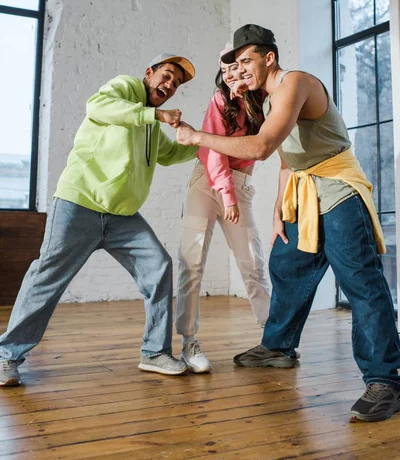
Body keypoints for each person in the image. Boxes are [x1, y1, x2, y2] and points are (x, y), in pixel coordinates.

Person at [176, 24, 400, 422]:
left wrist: (199, 137)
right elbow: (284, 156)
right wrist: (281, 206)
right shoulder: (266, 99)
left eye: (246, 60)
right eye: (235, 63)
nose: (240, 69)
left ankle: (386, 379)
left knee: (360, 282)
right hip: (303, 190)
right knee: (286, 264)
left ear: (269, 58)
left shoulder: (295, 83)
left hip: (338, 191)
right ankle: (278, 347)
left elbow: (261, 147)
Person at [0, 54, 198, 386]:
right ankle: (6, 357)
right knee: (47, 278)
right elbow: (98, 107)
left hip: (121, 217)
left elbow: (168, 153)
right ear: (148, 73)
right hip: (79, 203)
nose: (170, 85)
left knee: (158, 264)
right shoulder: (124, 88)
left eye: (176, 84)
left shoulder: (149, 124)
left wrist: (205, 143)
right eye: (166, 76)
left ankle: (154, 353)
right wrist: (154, 114)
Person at [175, 44, 271, 373]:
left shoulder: (264, 103)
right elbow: (211, 148)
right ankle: (188, 342)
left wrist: (234, 192)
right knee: (192, 261)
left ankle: (272, 340)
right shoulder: (219, 101)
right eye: (226, 69)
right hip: (207, 183)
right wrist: (226, 193)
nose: (231, 74)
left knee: (253, 264)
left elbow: (264, 148)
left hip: (240, 184)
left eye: (239, 67)